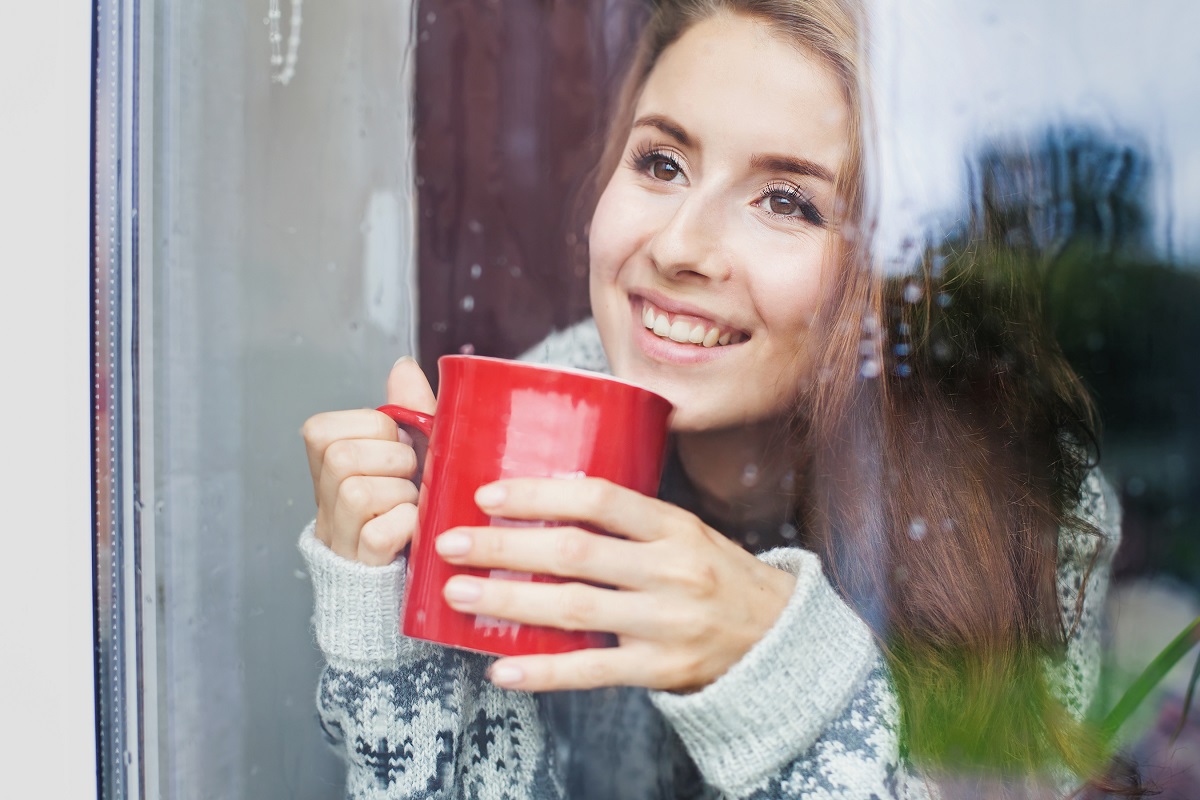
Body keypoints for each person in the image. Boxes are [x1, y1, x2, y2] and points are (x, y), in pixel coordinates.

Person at [299, 1, 1132, 797]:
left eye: (788, 201)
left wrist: (782, 677)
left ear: (901, 279)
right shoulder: (544, 417)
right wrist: (392, 629)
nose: (679, 246)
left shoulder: (1029, 506)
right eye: (662, 163)